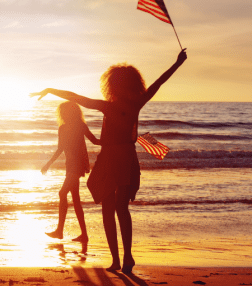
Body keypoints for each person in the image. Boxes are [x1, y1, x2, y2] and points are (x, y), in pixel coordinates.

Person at [31, 49, 187, 274]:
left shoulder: (111, 106)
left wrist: (51, 90)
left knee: (114, 209)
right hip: (119, 157)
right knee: (116, 209)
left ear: (113, 85)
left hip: (117, 158)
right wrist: (177, 63)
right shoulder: (133, 104)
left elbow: (78, 98)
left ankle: (122, 259)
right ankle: (122, 259)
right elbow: (158, 83)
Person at [42, 101, 100, 244]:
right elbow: (60, 149)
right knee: (76, 200)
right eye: (61, 112)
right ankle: (84, 235)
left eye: (64, 111)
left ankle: (60, 231)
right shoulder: (62, 128)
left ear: (71, 112)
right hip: (70, 166)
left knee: (62, 193)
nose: (62, 114)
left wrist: (112, 141)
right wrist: (48, 164)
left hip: (77, 165)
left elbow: (95, 141)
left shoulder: (80, 126)